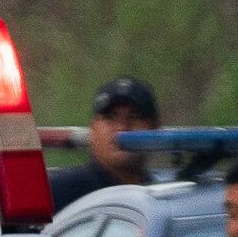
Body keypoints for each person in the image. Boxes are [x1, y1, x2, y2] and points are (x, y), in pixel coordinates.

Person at [45, 75, 171, 206]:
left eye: (134, 117)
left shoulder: (169, 196)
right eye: (110, 118)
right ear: (93, 128)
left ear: (155, 129)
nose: (122, 128)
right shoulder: (57, 193)